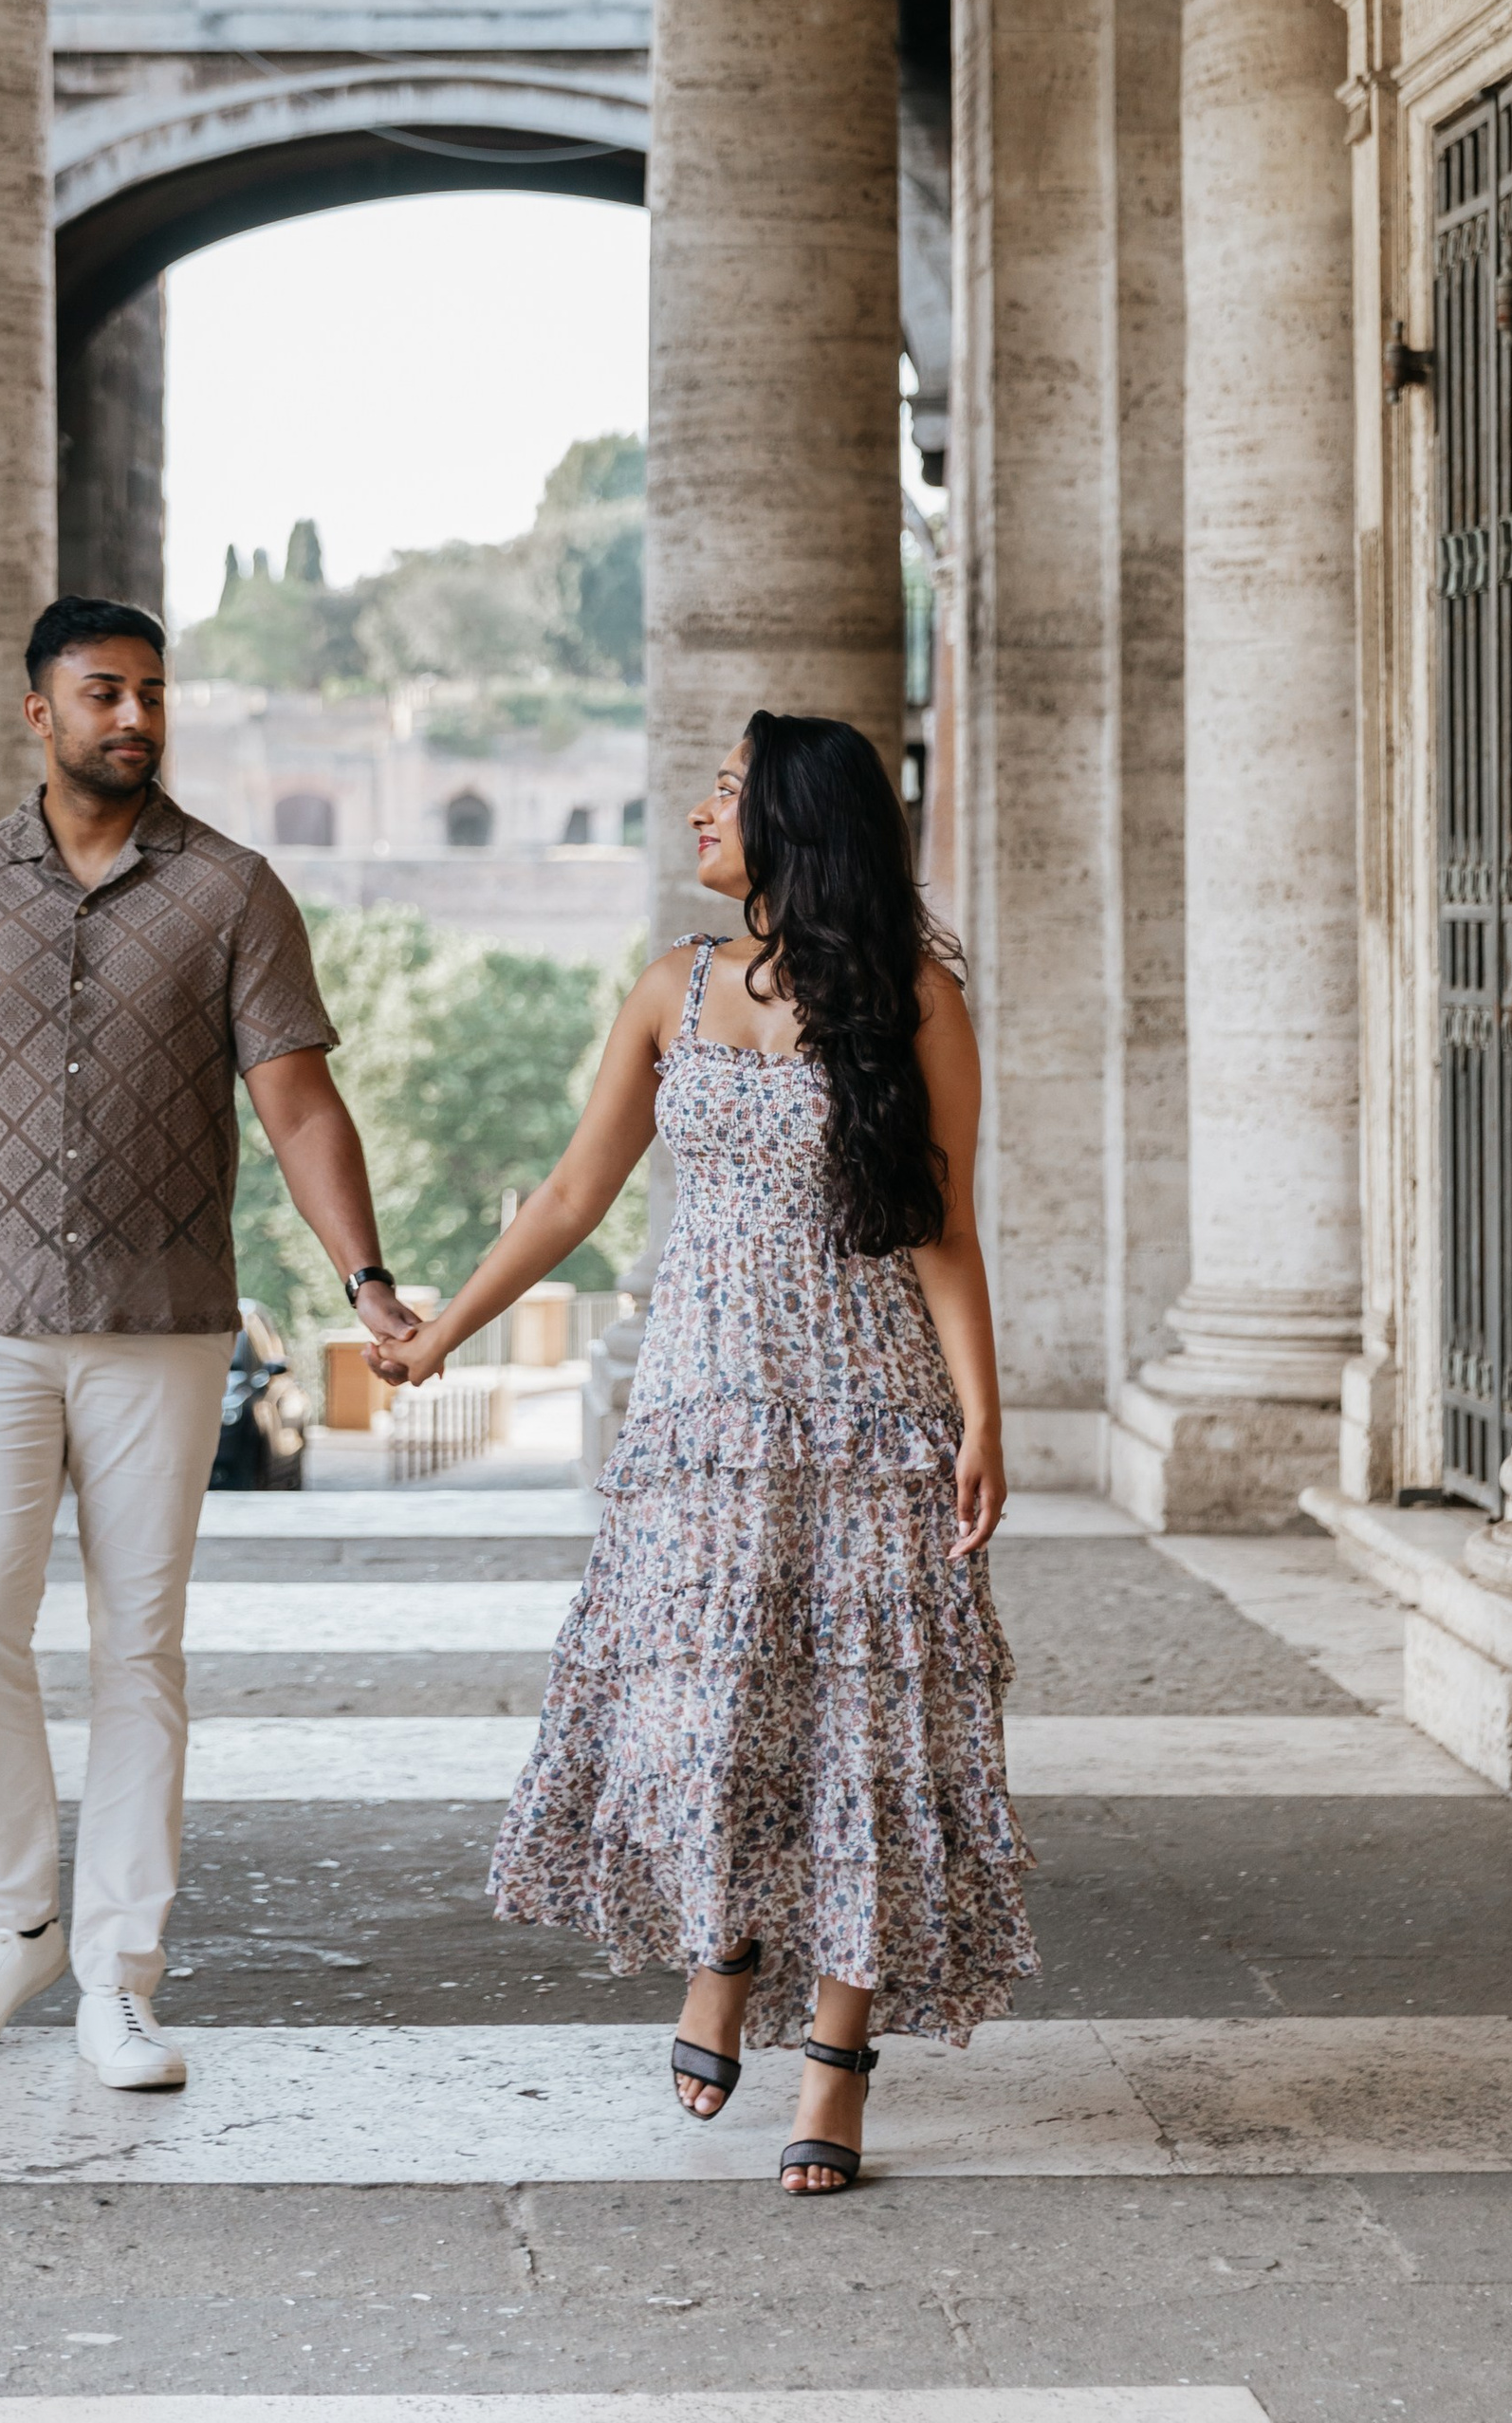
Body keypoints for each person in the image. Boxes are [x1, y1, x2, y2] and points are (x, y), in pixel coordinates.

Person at [373, 708, 1035, 2193]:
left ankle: (839, 2062)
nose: (699, 811)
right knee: (706, 1714)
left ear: (799, 822)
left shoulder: (915, 1002)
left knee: (862, 1731)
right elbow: (564, 1198)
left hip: (869, 1416)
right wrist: (443, 1333)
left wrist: (986, 1415)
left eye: (729, 792)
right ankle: (724, 1947)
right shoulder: (671, 990)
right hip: (701, 1418)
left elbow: (942, 1223)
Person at [0, 595, 417, 2089]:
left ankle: (120, 1974)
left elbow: (297, 1103)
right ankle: (15, 1921)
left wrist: (364, 1278)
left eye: (152, 693)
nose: (134, 718)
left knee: (139, 1648)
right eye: (103, 692)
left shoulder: (233, 892)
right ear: (38, 712)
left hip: (164, 1323)